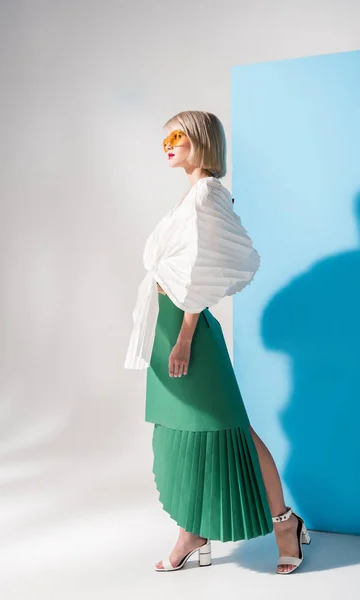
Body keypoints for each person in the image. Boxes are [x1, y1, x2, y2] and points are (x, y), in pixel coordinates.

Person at [124, 110, 311, 574]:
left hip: (187, 334)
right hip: (166, 328)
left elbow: (202, 274)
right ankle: (193, 530)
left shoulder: (207, 195)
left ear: (201, 141)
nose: (167, 144)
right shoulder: (190, 195)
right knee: (182, 431)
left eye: (177, 136)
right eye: (164, 136)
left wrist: (186, 337)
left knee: (231, 429)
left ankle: (285, 522)